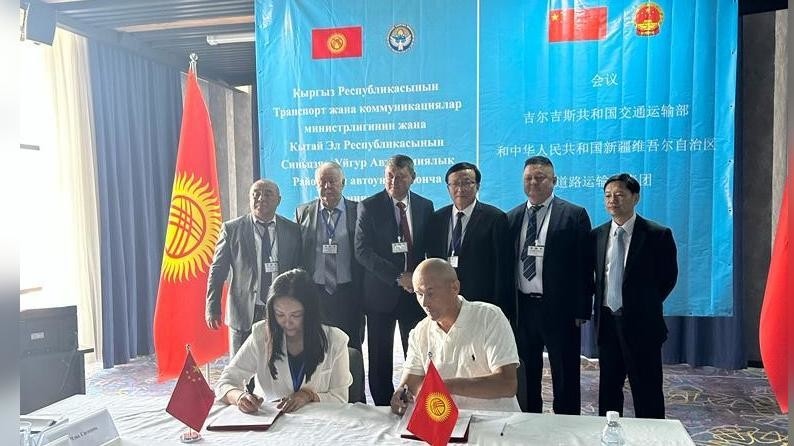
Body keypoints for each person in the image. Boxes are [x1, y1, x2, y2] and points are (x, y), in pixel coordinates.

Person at [506, 156, 592, 415]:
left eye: (540, 177)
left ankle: (567, 423)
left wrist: (581, 309)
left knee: (564, 372)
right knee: (526, 371)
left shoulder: (574, 215)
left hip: (560, 309)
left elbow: (584, 265)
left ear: (554, 181)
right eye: (528, 178)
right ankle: (529, 419)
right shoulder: (512, 217)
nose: (533, 182)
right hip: (523, 308)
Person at [593, 173, 677, 419]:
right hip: (608, 323)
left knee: (647, 389)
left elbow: (668, 278)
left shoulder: (657, 234)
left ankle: (651, 433)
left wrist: (643, 304)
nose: (612, 200)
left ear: (635, 197)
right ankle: (609, 432)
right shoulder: (597, 235)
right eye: (608, 196)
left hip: (643, 325)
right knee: (609, 388)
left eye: (619, 195)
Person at [390, 258, 520, 413]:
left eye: (430, 293)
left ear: (454, 288)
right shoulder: (420, 332)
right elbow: (410, 384)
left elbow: (507, 384)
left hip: (496, 420)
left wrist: (447, 386)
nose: (424, 303)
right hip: (445, 421)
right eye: (419, 294)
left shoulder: (489, 317)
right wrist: (400, 395)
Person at [354, 154, 434, 406]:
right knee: (379, 358)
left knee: (417, 354)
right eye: (389, 176)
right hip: (381, 294)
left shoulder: (425, 206)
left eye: (400, 176)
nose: (394, 181)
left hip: (415, 295)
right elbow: (362, 251)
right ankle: (382, 406)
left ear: (413, 178)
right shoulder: (368, 206)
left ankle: (417, 403)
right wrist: (398, 277)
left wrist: (419, 279)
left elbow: (429, 248)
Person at [215, 269, 352, 413]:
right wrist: (239, 397)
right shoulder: (261, 334)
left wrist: (309, 395)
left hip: (320, 421)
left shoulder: (336, 340)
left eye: (296, 315)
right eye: (279, 314)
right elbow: (225, 383)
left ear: (310, 312)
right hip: (271, 421)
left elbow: (340, 398)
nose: (287, 322)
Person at [206, 179, 302, 356]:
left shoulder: (292, 230)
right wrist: (212, 307)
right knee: (241, 367)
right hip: (244, 313)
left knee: (279, 365)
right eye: (256, 194)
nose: (261, 198)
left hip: (281, 312)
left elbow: (298, 272)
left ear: (279, 200)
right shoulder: (232, 229)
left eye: (268, 194)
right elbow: (217, 271)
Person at [295, 162, 363, 349]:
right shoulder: (303, 212)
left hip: (348, 293)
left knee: (350, 348)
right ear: (316, 184)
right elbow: (298, 253)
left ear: (343, 183)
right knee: (316, 347)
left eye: (332, 181)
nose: (327, 186)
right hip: (315, 293)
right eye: (322, 182)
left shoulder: (358, 210)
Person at [426, 162, 511, 310]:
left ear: (477, 186)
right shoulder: (437, 218)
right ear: (448, 188)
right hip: (444, 297)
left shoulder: (495, 218)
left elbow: (502, 268)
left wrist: (500, 307)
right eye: (455, 184)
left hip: (480, 300)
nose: (460, 189)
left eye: (467, 183)